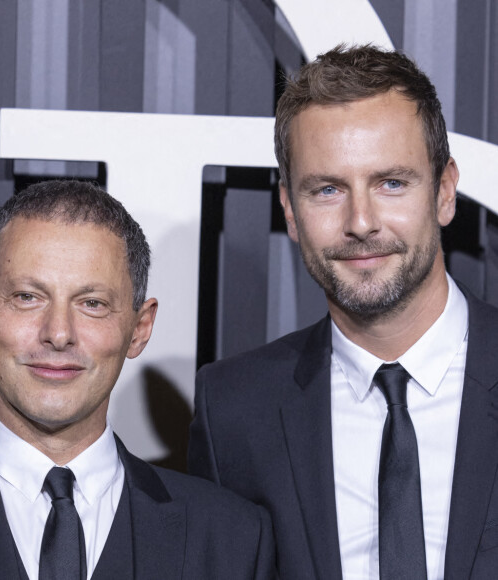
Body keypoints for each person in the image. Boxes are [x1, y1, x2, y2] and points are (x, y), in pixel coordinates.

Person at [188, 44, 498, 579]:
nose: (361, 221)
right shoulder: (234, 411)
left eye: (391, 183)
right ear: (289, 208)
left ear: (445, 192)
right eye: (328, 189)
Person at [0, 180, 275, 579]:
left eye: (92, 304)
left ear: (139, 328)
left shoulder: (231, 540)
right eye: (27, 297)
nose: (58, 333)